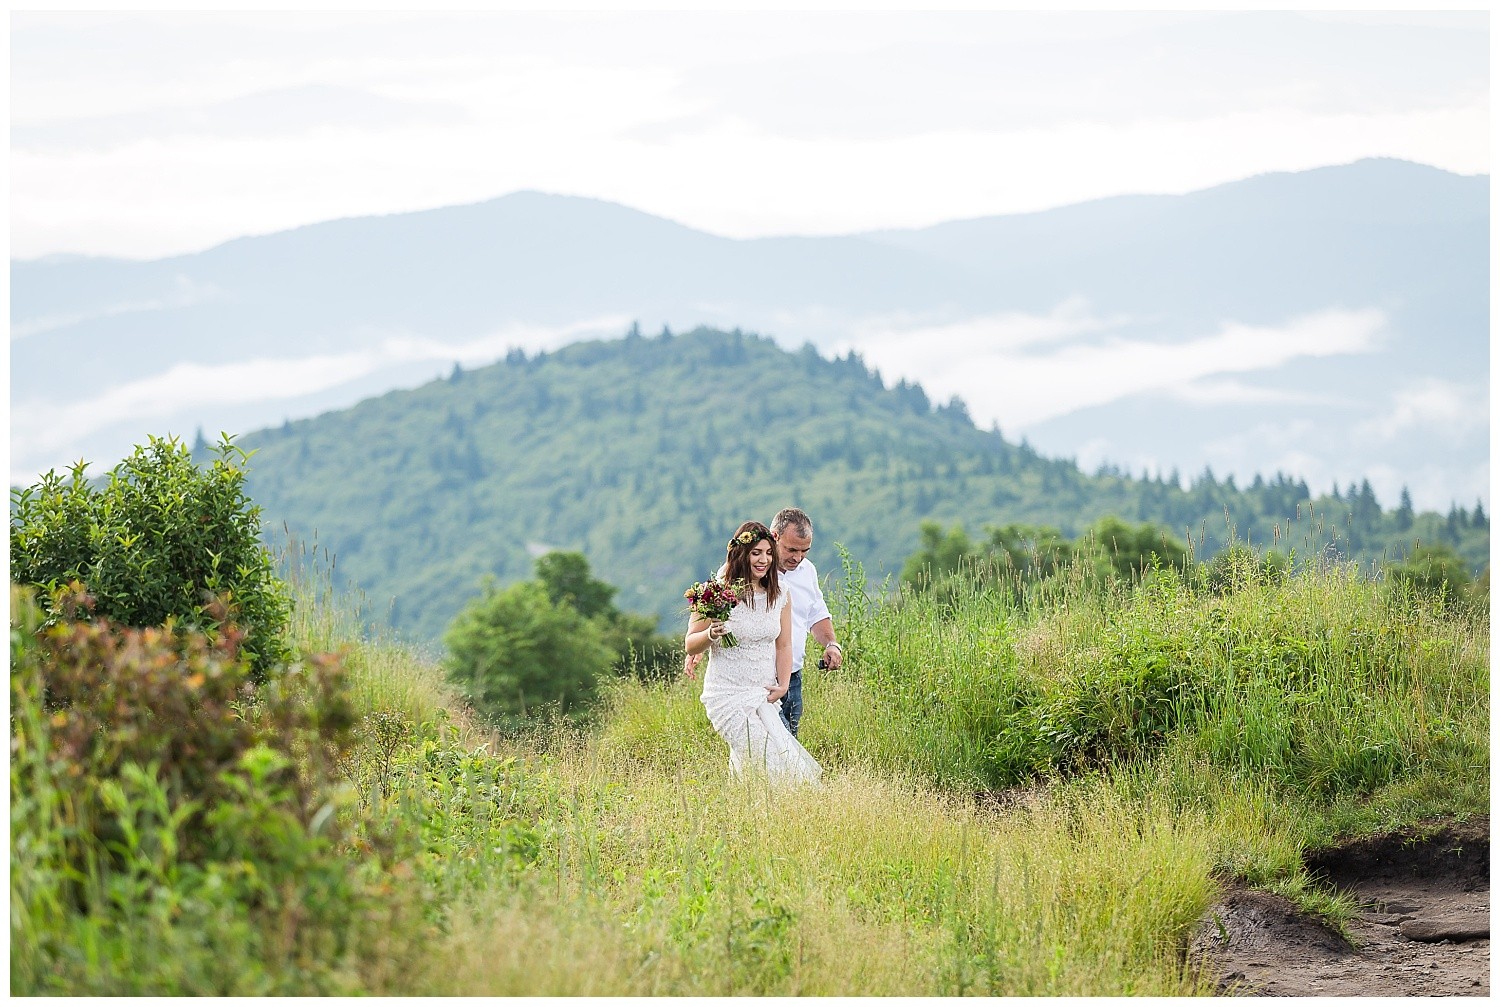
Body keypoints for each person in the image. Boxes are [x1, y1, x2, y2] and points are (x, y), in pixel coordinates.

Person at [685, 520, 821, 782]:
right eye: (756, 553)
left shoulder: (780, 592)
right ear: (741, 554)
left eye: (769, 553)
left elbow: (783, 644)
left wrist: (782, 685)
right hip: (727, 696)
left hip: (762, 695)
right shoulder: (717, 592)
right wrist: (711, 634)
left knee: (771, 765)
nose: (764, 560)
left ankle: (746, 814)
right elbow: (691, 643)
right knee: (773, 763)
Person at [767, 507, 843, 737]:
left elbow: (816, 613)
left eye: (804, 551)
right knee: (780, 750)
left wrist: (831, 644)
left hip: (793, 678)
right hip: (762, 679)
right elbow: (717, 600)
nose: (797, 558)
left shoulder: (807, 570)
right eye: (791, 549)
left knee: (791, 744)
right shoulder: (752, 568)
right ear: (774, 537)